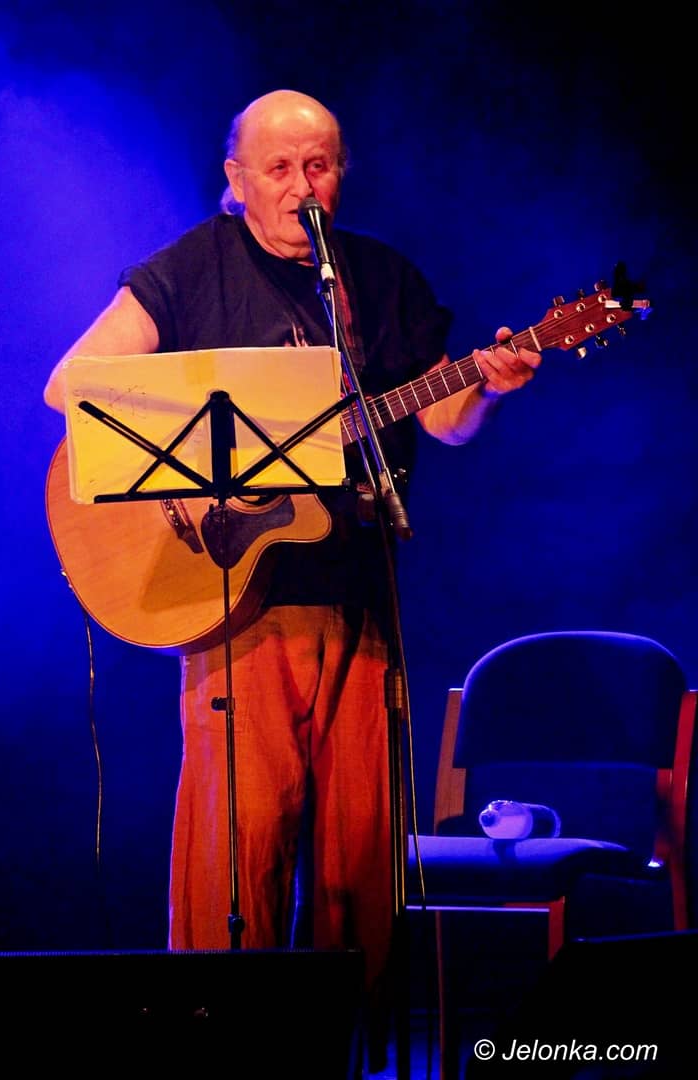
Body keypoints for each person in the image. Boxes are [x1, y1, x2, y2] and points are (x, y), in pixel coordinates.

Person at [43, 89, 541, 1071]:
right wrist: (199, 480)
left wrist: (486, 384)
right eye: (278, 168)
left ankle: (344, 1056)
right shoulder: (191, 270)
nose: (301, 186)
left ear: (340, 174)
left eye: (319, 166)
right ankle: (218, 1052)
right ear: (236, 180)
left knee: (361, 862)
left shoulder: (379, 281)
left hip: (358, 602)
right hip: (237, 608)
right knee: (239, 854)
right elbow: (74, 387)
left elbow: (440, 423)